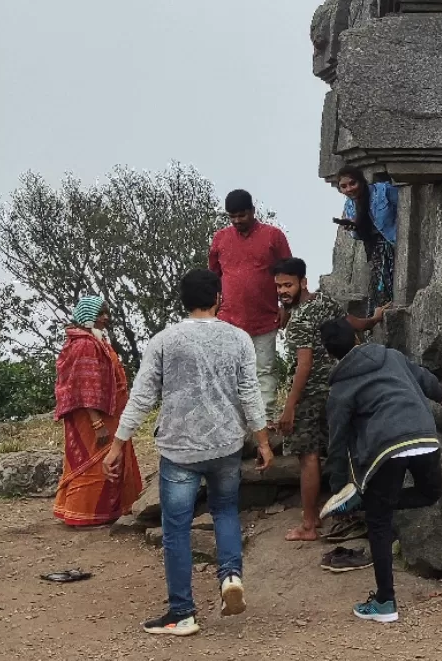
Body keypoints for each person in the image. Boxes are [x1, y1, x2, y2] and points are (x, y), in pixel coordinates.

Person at [104, 267, 273, 637]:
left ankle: (182, 612)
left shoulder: (165, 341)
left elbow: (143, 397)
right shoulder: (240, 339)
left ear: (183, 301)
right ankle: (230, 575)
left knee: (176, 529)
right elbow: (250, 394)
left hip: (179, 450)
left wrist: (118, 443)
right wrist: (262, 442)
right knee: (225, 510)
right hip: (227, 445)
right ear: (218, 298)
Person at [318, 317, 442, 625]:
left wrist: (339, 485)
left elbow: (338, 438)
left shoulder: (341, 386)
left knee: (378, 522)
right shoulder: (391, 356)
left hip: (385, 448)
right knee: (429, 493)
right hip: (424, 435)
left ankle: (385, 602)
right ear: (357, 337)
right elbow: (422, 377)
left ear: (329, 353)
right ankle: (369, 502)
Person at [270, 257, 384, 545]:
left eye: (288, 285)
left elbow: (303, 366)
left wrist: (289, 408)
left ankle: (309, 524)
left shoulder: (299, 320)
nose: (283, 291)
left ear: (302, 282)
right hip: (337, 390)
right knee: (340, 451)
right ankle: (346, 513)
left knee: (308, 457)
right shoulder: (323, 301)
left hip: (309, 397)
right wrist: (374, 319)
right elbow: (350, 323)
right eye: (279, 286)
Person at [52, 295, 143, 527]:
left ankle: (109, 511)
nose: (106, 318)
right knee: (95, 461)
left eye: (106, 313)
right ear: (88, 316)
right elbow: (84, 386)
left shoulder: (94, 340)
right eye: (101, 313)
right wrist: (96, 423)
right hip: (95, 416)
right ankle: (85, 515)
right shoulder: (85, 344)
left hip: (109, 412)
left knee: (109, 458)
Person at [208, 189, 291, 429]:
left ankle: (264, 421)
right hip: (229, 320)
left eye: (241, 215)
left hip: (265, 318)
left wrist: (286, 306)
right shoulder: (220, 238)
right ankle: (234, 422)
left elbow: (288, 274)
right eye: (232, 216)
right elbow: (213, 276)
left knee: (264, 370)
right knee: (230, 372)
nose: (237, 221)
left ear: (252, 211)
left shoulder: (273, 236)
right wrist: (212, 310)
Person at [334, 168, 398, 307]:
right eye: (343, 186)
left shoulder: (383, 191)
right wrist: (353, 227)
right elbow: (359, 235)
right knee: (378, 287)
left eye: (352, 183)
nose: (349, 189)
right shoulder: (350, 205)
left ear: (361, 181)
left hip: (392, 241)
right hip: (373, 247)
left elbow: (403, 208)